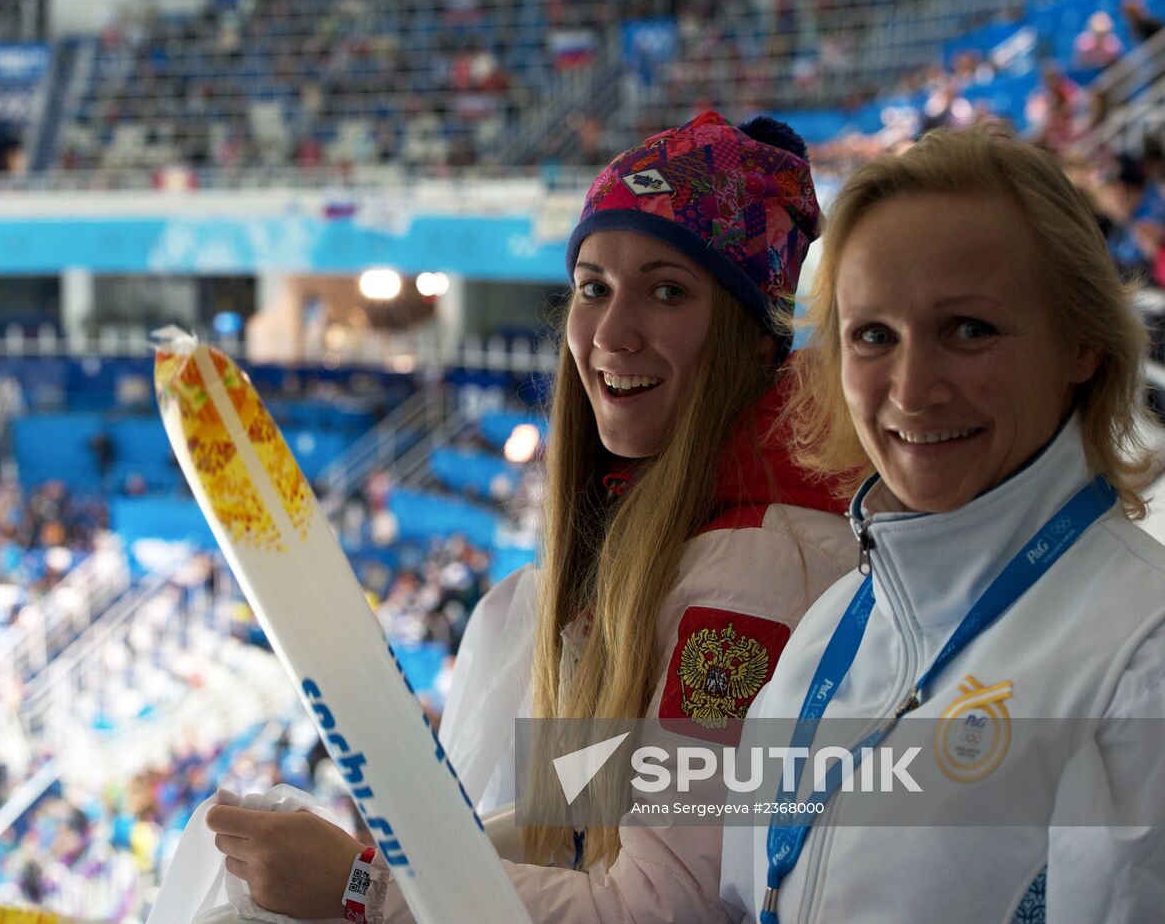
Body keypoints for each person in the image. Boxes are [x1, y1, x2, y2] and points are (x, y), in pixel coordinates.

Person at [206, 112, 859, 920]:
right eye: (594, 288)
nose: (612, 333)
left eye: (667, 290)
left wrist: (366, 888)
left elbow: (663, 910)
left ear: (757, 338)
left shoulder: (756, 577)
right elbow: (572, 834)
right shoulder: (653, 538)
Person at [719, 125, 1165, 922]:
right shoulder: (824, 634)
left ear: (1084, 342)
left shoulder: (1142, 658)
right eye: (874, 336)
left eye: (969, 330)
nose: (912, 390)